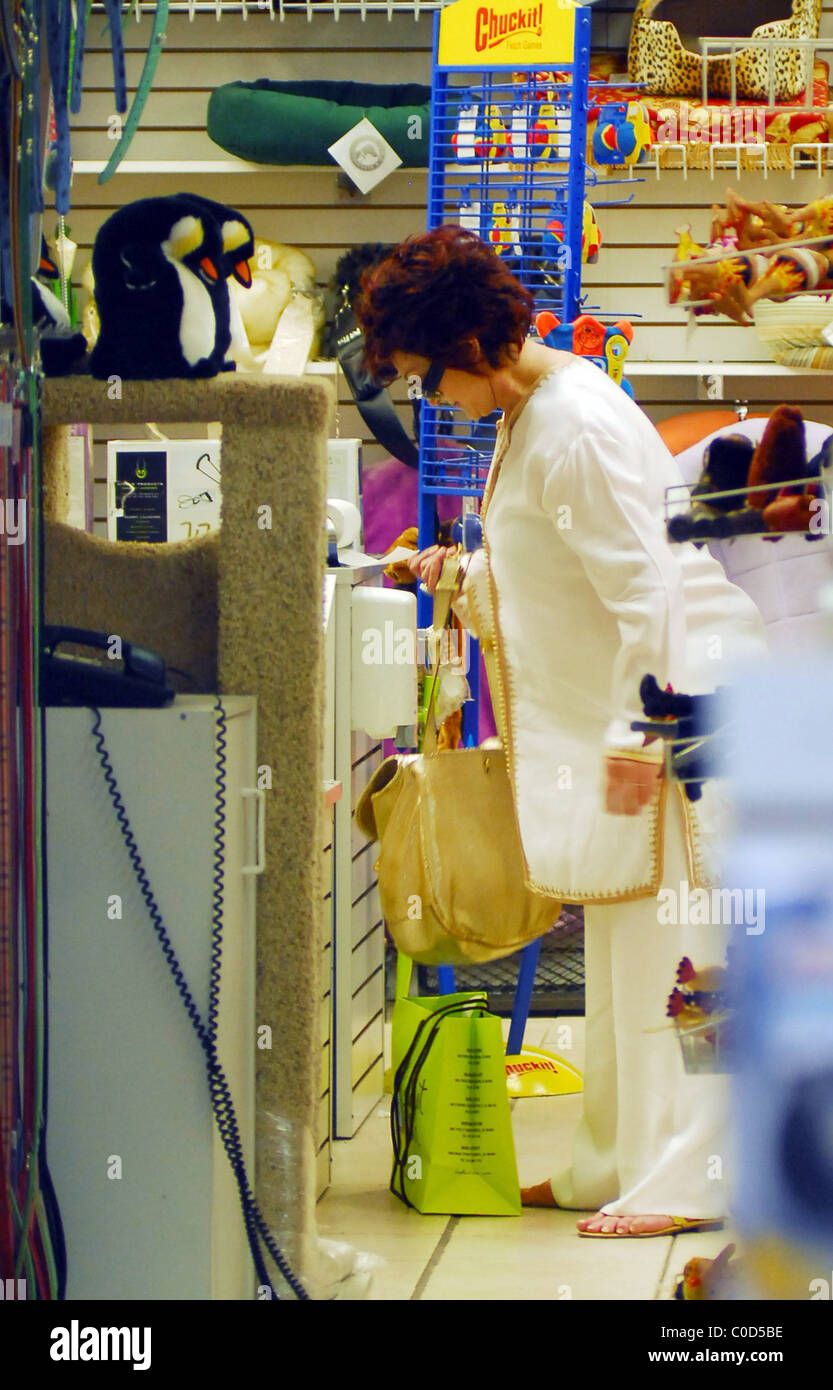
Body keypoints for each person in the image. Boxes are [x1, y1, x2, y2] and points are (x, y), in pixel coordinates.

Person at [355, 225, 768, 1238]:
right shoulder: (537, 408)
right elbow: (562, 579)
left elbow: (647, 596)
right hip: (663, 706)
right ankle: (615, 1164)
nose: (433, 400)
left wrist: (638, 739)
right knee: (637, 954)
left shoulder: (569, 421)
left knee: (685, 960)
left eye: (428, 376)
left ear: (468, 343)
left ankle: (695, 1177)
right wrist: (452, 576)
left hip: (683, 716)